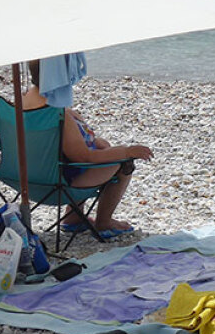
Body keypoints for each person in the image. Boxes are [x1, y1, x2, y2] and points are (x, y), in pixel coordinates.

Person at [22, 60, 153, 238]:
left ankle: (74, 218)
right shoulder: (56, 113)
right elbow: (84, 158)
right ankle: (104, 221)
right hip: (56, 184)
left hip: (26, 178)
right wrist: (127, 151)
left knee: (101, 149)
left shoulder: (25, 102)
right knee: (123, 163)